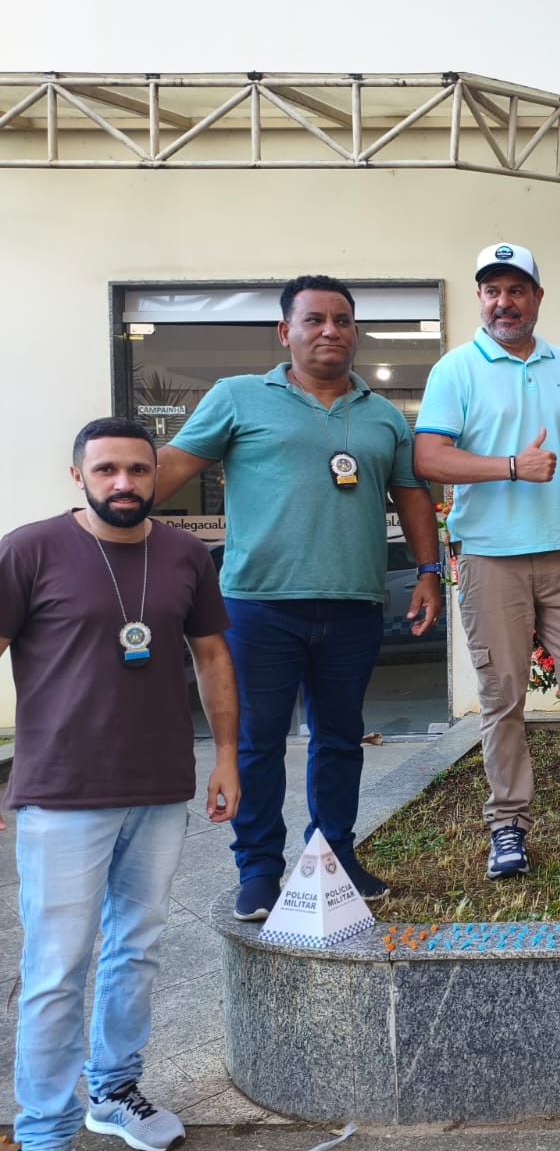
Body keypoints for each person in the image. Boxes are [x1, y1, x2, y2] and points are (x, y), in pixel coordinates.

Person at [157, 275, 442, 919]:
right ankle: (259, 868)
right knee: (257, 741)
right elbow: (174, 465)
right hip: (258, 605)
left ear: (356, 333)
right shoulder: (237, 397)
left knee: (339, 739)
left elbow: (412, 496)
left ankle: (332, 857)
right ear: (286, 332)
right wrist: (110, 503)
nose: (330, 331)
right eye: (314, 320)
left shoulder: (382, 415)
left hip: (354, 604)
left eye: (342, 320)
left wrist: (429, 571)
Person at [1, 418, 241, 1151]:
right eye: (106, 469)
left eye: (138, 469)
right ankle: (45, 1130)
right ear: (79, 475)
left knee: (136, 950)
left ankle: (113, 1091)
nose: (124, 483)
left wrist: (227, 755)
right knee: (56, 967)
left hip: (159, 787)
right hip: (61, 793)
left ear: (157, 476)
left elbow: (211, 656)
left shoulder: (185, 554)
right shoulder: (30, 550)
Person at [414, 243, 560, 875]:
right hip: (490, 559)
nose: (503, 302)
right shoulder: (456, 369)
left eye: (515, 290)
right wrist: (511, 466)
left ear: (537, 297)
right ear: (481, 299)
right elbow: (429, 458)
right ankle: (508, 825)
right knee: (502, 698)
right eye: (492, 291)